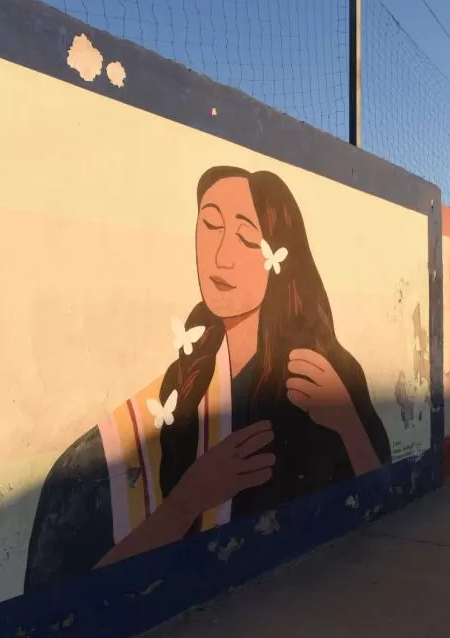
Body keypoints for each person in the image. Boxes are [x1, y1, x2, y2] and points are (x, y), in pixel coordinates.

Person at [24, 166, 392, 589]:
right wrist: (189, 500)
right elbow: (59, 590)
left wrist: (346, 424)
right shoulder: (180, 387)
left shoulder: (325, 374)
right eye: (210, 224)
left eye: (245, 236)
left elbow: (380, 499)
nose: (221, 256)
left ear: (278, 256)